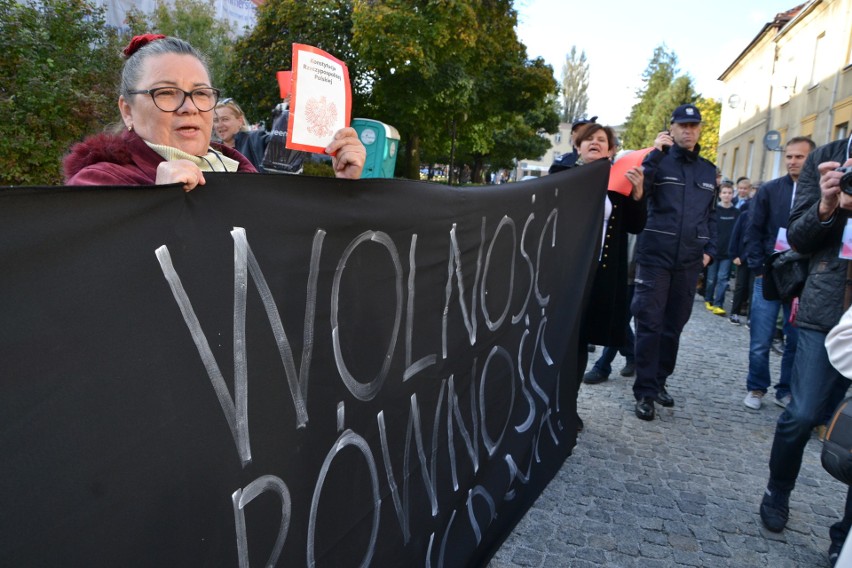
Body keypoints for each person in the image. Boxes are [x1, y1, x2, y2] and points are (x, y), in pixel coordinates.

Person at [63, 34, 365, 188]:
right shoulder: (99, 185)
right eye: (167, 93)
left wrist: (341, 194)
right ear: (127, 111)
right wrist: (154, 206)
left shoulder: (237, 169)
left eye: (201, 94)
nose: (189, 108)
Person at [758, 135, 852, 568]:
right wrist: (828, 206)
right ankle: (778, 489)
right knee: (801, 413)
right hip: (826, 306)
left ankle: (845, 536)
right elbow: (798, 234)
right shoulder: (826, 157)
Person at [631, 103, 717, 421]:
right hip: (655, 256)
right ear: (672, 128)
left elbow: (712, 216)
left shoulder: (709, 170)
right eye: (682, 125)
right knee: (649, 324)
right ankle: (644, 393)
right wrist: (655, 152)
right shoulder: (658, 161)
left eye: (693, 126)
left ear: (699, 130)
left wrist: (711, 249)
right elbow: (639, 191)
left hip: (689, 261)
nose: (688, 130)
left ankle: (659, 381)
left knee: (673, 326)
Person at [558, 123, 646, 430]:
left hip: (599, 276)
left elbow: (635, 226)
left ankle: (567, 408)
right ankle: (544, 404)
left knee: (581, 341)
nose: (596, 143)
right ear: (578, 146)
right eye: (589, 139)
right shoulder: (562, 175)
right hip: (564, 276)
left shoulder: (619, 182)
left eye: (602, 140)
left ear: (611, 150)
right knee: (558, 341)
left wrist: (637, 195)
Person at [741, 137, 815, 410]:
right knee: (760, 338)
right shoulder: (770, 190)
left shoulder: (820, 192)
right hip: (768, 274)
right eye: (789, 156)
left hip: (802, 279)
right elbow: (753, 229)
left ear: (812, 159)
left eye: (800, 157)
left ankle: (784, 390)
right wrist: (759, 268)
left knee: (794, 340)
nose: (793, 161)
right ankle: (756, 387)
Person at [582, 233, 638, 384]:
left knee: (618, 320)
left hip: (635, 274)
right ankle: (631, 354)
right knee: (618, 318)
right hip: (617, 267)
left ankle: (602, 366)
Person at [703, 181, 739, 316]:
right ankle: (708, 298)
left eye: (729, 193)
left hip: (728, 252)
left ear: (733, 194)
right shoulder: (715, 211)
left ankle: (719, 303)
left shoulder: (736, 212)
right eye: (724, 192)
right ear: (720, 195)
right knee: (711, 278)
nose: (727, 195)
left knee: (723, 279)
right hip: (714, 250)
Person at [213, 98, 269, 172]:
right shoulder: (212, 150)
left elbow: (280, 143)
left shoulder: (256, 139)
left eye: (225, 119)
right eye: (216, 120)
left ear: (240, 121)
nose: (219, 125)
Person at [728, 198, 753, 325]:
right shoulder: (745, 215)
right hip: (742, 257)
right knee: (740, 286)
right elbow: (736, 234)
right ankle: (734, 312)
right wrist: (734, 254)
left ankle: (750, 316)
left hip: (756, 257)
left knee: (753, 288)